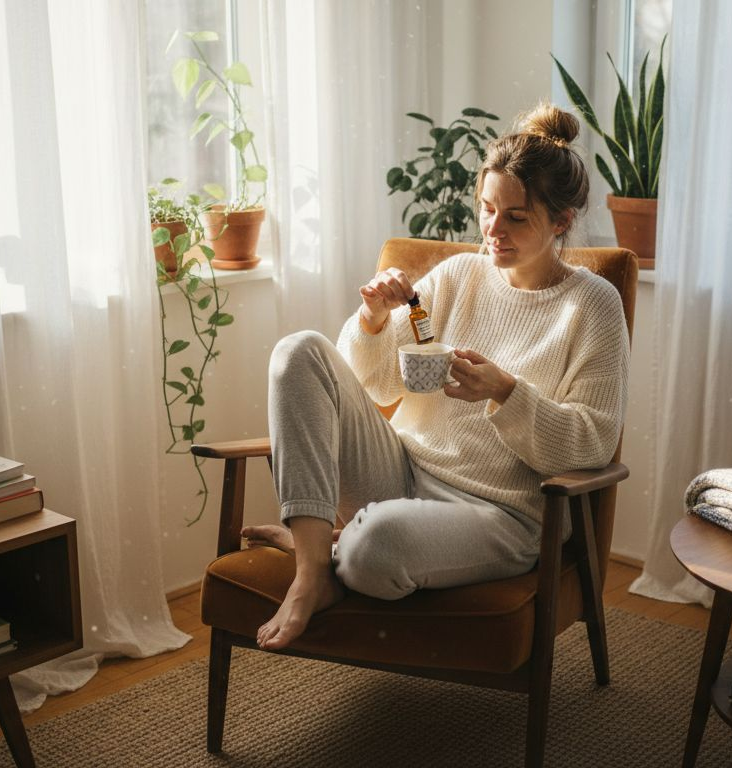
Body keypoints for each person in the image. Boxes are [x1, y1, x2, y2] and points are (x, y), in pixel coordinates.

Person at [243, 103, 631, 650]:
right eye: (487, 208)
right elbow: (374, 385)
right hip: (397, 472)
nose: (492, 230)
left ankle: (330, 547)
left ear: (561, 222)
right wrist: (375, 319)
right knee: (298, 350)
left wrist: (507, 392)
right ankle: (312, 574)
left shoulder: (593, 305)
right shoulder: (458, 275)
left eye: (515, 217)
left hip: (500, 513)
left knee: (372, 548)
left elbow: (591, 443)